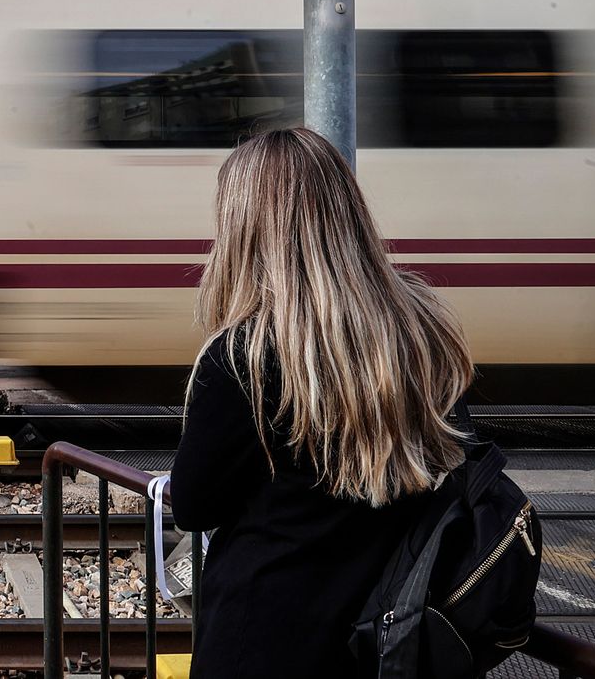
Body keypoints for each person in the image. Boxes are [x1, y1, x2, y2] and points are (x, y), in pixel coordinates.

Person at [169, 128, 473, 679]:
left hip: (261, 644)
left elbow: (193, 504)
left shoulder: (243, 355)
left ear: (245, 230)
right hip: (389, 641)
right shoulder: (422, 335)